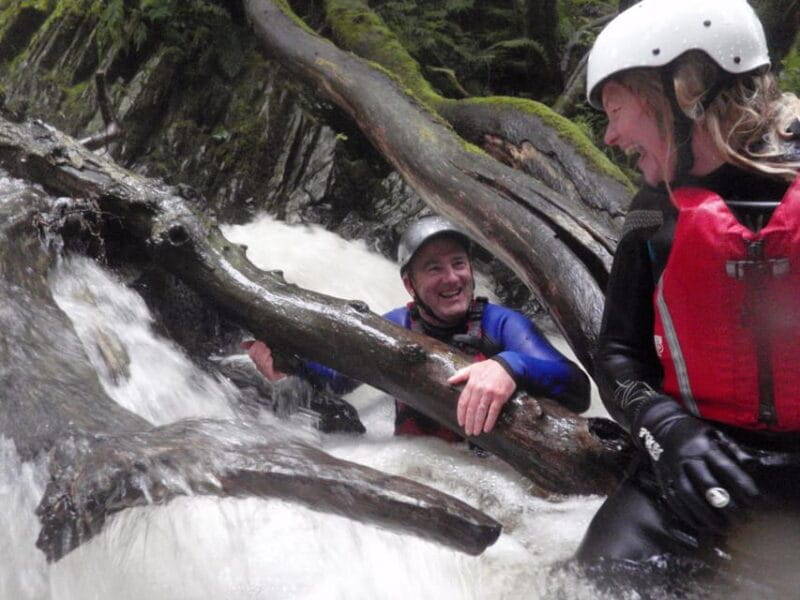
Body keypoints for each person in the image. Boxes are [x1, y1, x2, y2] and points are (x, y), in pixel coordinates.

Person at [576, 0, 800, 570]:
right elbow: (620, 355)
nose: (610, 135)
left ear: (683, 92)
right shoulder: (651, 215)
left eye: (617, 109)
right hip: (689, 471)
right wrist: (667, 429)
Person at [244, 215, 590, 441]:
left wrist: (510, 366)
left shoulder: (501, 324)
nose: (452, 277)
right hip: (421, 470)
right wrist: (286, 364)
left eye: (458, 264)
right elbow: (334, 379)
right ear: (410, 285)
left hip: (496, 476)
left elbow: (577, 388)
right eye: (434, 268)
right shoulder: (397, 326)